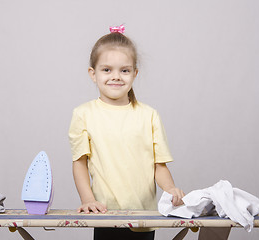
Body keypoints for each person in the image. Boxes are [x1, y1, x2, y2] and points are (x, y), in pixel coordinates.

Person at [68, 24, 184, 240]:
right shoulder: (83, 114)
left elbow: (159, 165)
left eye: (124, 70)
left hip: (144, 217)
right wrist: (87, 199)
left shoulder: (149, 115)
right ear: (93, 74)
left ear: (134, 73)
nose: (116, 77)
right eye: (106, 69)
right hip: (104, 214)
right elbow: (80, 162)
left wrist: (171, 189)